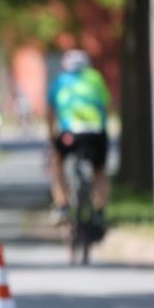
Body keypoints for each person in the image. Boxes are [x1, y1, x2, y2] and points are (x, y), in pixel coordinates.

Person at [47, 49, 111, 234]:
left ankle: (62, 207)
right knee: (99, 171)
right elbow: (105, 105)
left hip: (70, 133)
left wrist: (51, 135)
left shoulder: (60, 81)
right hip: (95, 132)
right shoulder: (96, 78)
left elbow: (50, 111)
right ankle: (100, 211)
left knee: (57, 164)